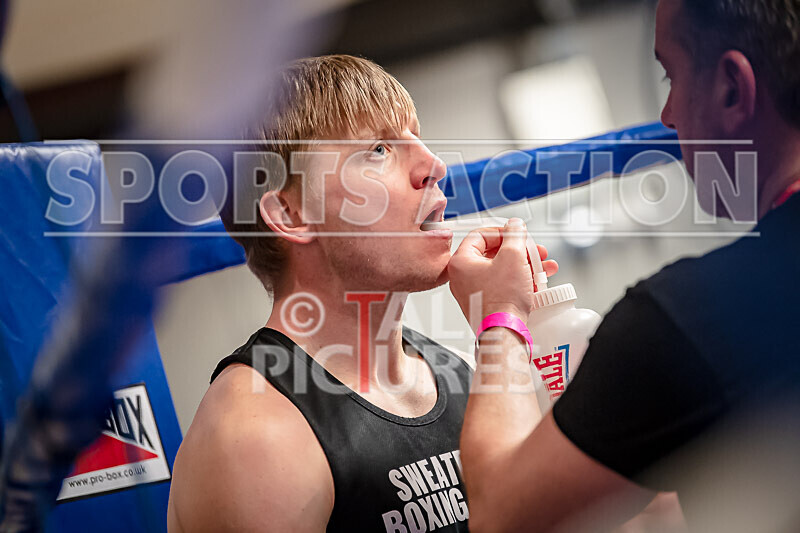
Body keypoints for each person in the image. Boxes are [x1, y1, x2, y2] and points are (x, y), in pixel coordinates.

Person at [167, 55, 557, 532]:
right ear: (291, 214)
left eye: (415, 136)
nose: (433, 165)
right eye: (377, 149)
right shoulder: (254, 433)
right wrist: (503, 323)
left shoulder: (464, 373)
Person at [451, 0, 800, 531]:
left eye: (671, 75)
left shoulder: (691, 318)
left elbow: (501, 514)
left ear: (732, 88)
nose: (667, 116)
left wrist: (499, 316)